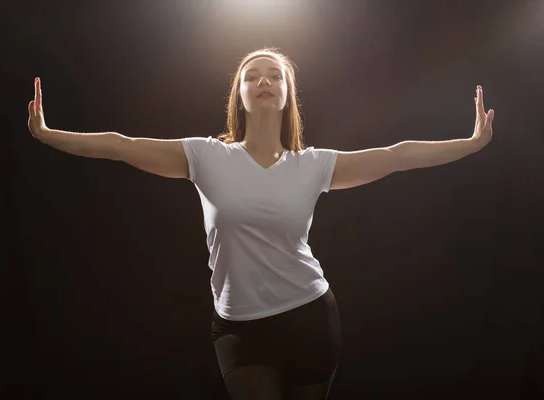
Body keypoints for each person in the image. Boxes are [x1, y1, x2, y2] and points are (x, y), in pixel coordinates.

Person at [27, 47, 495, 400]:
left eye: (275, 75)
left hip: (311, 316)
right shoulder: (205, 156)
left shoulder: (313, 165)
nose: (265, 80)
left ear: (288, 93)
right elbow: (120, 144)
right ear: (241, 94)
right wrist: (48, 135)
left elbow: (396, 156)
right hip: (239, 329)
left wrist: (470, 144)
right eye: (253, 76)